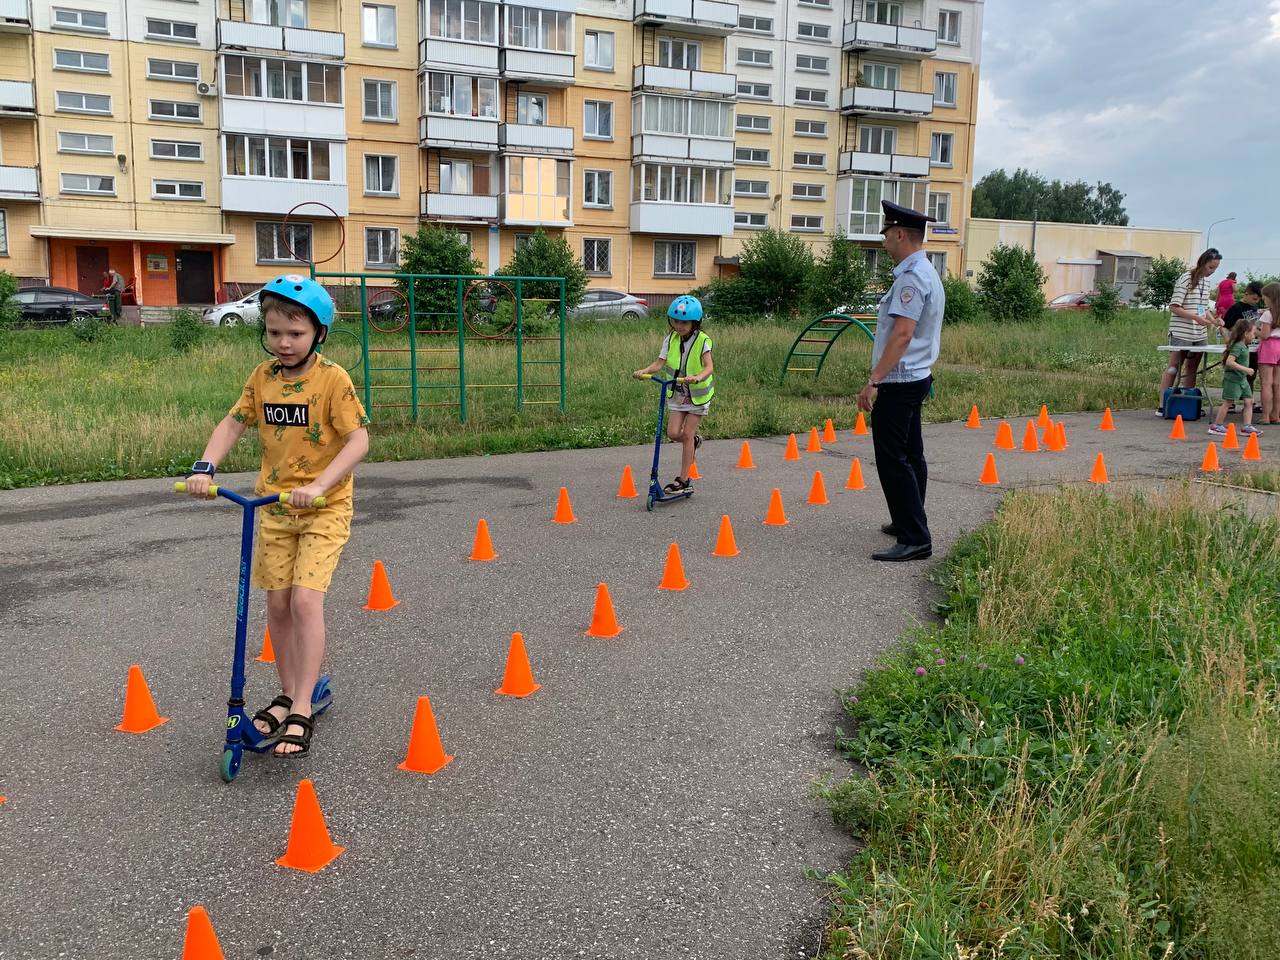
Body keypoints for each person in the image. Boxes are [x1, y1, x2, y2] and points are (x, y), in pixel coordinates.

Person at [183, 274, 370, 757]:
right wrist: (206, 466)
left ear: (319, 333)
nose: (284, 343)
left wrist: (319, 486)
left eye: (296, 333)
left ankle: (304, 706)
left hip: (323, 506)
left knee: (306, 602)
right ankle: (288, 694)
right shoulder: (262, 378)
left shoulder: (333, 380)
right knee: (279, 605)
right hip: (273, 507)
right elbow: (233, 423)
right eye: (274, 332)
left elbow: (358, 441)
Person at [857, 200, 945, 563]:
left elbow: (903, 334)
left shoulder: (912, 277)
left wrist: (874, 380)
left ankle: (915, 537)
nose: (883, 241)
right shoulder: (926, 270)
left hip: (899, 379)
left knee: (893, 458)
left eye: (886, 234)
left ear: (899, 234)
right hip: (916, 376)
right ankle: (908, 520)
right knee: (911, 454)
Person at [632, 295, 713, 493]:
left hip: (697, 395)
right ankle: (693, 442)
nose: (679, 326)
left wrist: (697, 377)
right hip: (677, 394)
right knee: (673, 433)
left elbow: (709, 367)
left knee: (687, 434)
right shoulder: (671, 339)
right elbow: (659, 363)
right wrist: (645, 371)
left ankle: (683, 480)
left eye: (684, 322)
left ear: (695, 323)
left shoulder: (703, 340)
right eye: (676, 321)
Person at [1158, 249, 1223, 412]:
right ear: (1202, 263)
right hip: (1181, 331)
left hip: (1199, 333)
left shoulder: (1206, 283)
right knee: (1174, 366)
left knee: (1192, 367)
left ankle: (1189, 403)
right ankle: (1163, 404)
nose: (1212, 271)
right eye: (1210, 267)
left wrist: (1213, 320)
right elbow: (1174, 307)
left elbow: (1203, 307)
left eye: (1215, 268)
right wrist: (1195, 318)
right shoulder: (1186, 278)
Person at [1207, 318, 1260, 437]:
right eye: (1253, 333)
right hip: (1233, 379)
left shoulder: (1243, 346)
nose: (1254, 336)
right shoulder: (1238, 346)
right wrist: (1246, 369)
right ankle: (1217, 425)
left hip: (1242, 379)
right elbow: (1229, 362)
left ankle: (1247, 426)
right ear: (1245, 333)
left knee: (1249, 401)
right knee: (1228, 402)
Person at [1257, 283, 1280, 424]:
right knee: (1277, 384)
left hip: (1269, 347)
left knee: (1266, 383)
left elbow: (1265, 335)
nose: (1264, 300)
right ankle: (1276, 415)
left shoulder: (1267, 314)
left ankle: (1265, 416)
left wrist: (1254, 330)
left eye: (1265, 298)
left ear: (1271, 297)